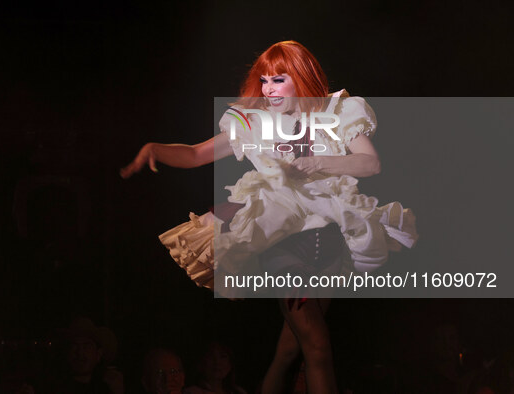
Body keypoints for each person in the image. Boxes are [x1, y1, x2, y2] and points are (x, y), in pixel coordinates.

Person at [121, 41, 417, 393]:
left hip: (330, 245)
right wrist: (156, 148)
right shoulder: (253, 124)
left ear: (301, 77)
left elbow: (371, 163)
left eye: (278, 79)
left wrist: (319, 162)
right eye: (264, 81)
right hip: (284, 246)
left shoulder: (339, 113)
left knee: (289, 350)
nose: (268, 89)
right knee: (318, 346)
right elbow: (196, 154)